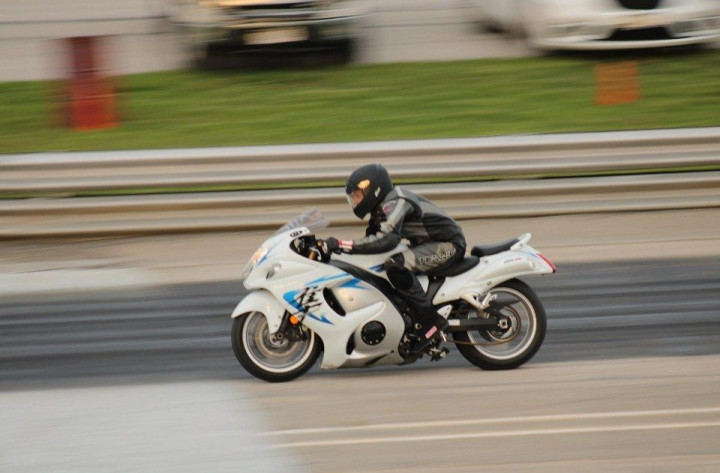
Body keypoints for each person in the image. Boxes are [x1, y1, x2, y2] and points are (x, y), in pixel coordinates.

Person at [323, 164, 466, 355]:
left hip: (448, 244)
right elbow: (369, 243)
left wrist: (341, 244)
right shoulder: (381, 209)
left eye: (357, 195)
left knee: (395, 264)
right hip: (427, 244)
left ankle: (430, 319)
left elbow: (386, 239)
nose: (355, 201)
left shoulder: (395, 200)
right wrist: (329, 250)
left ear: (372, 189)